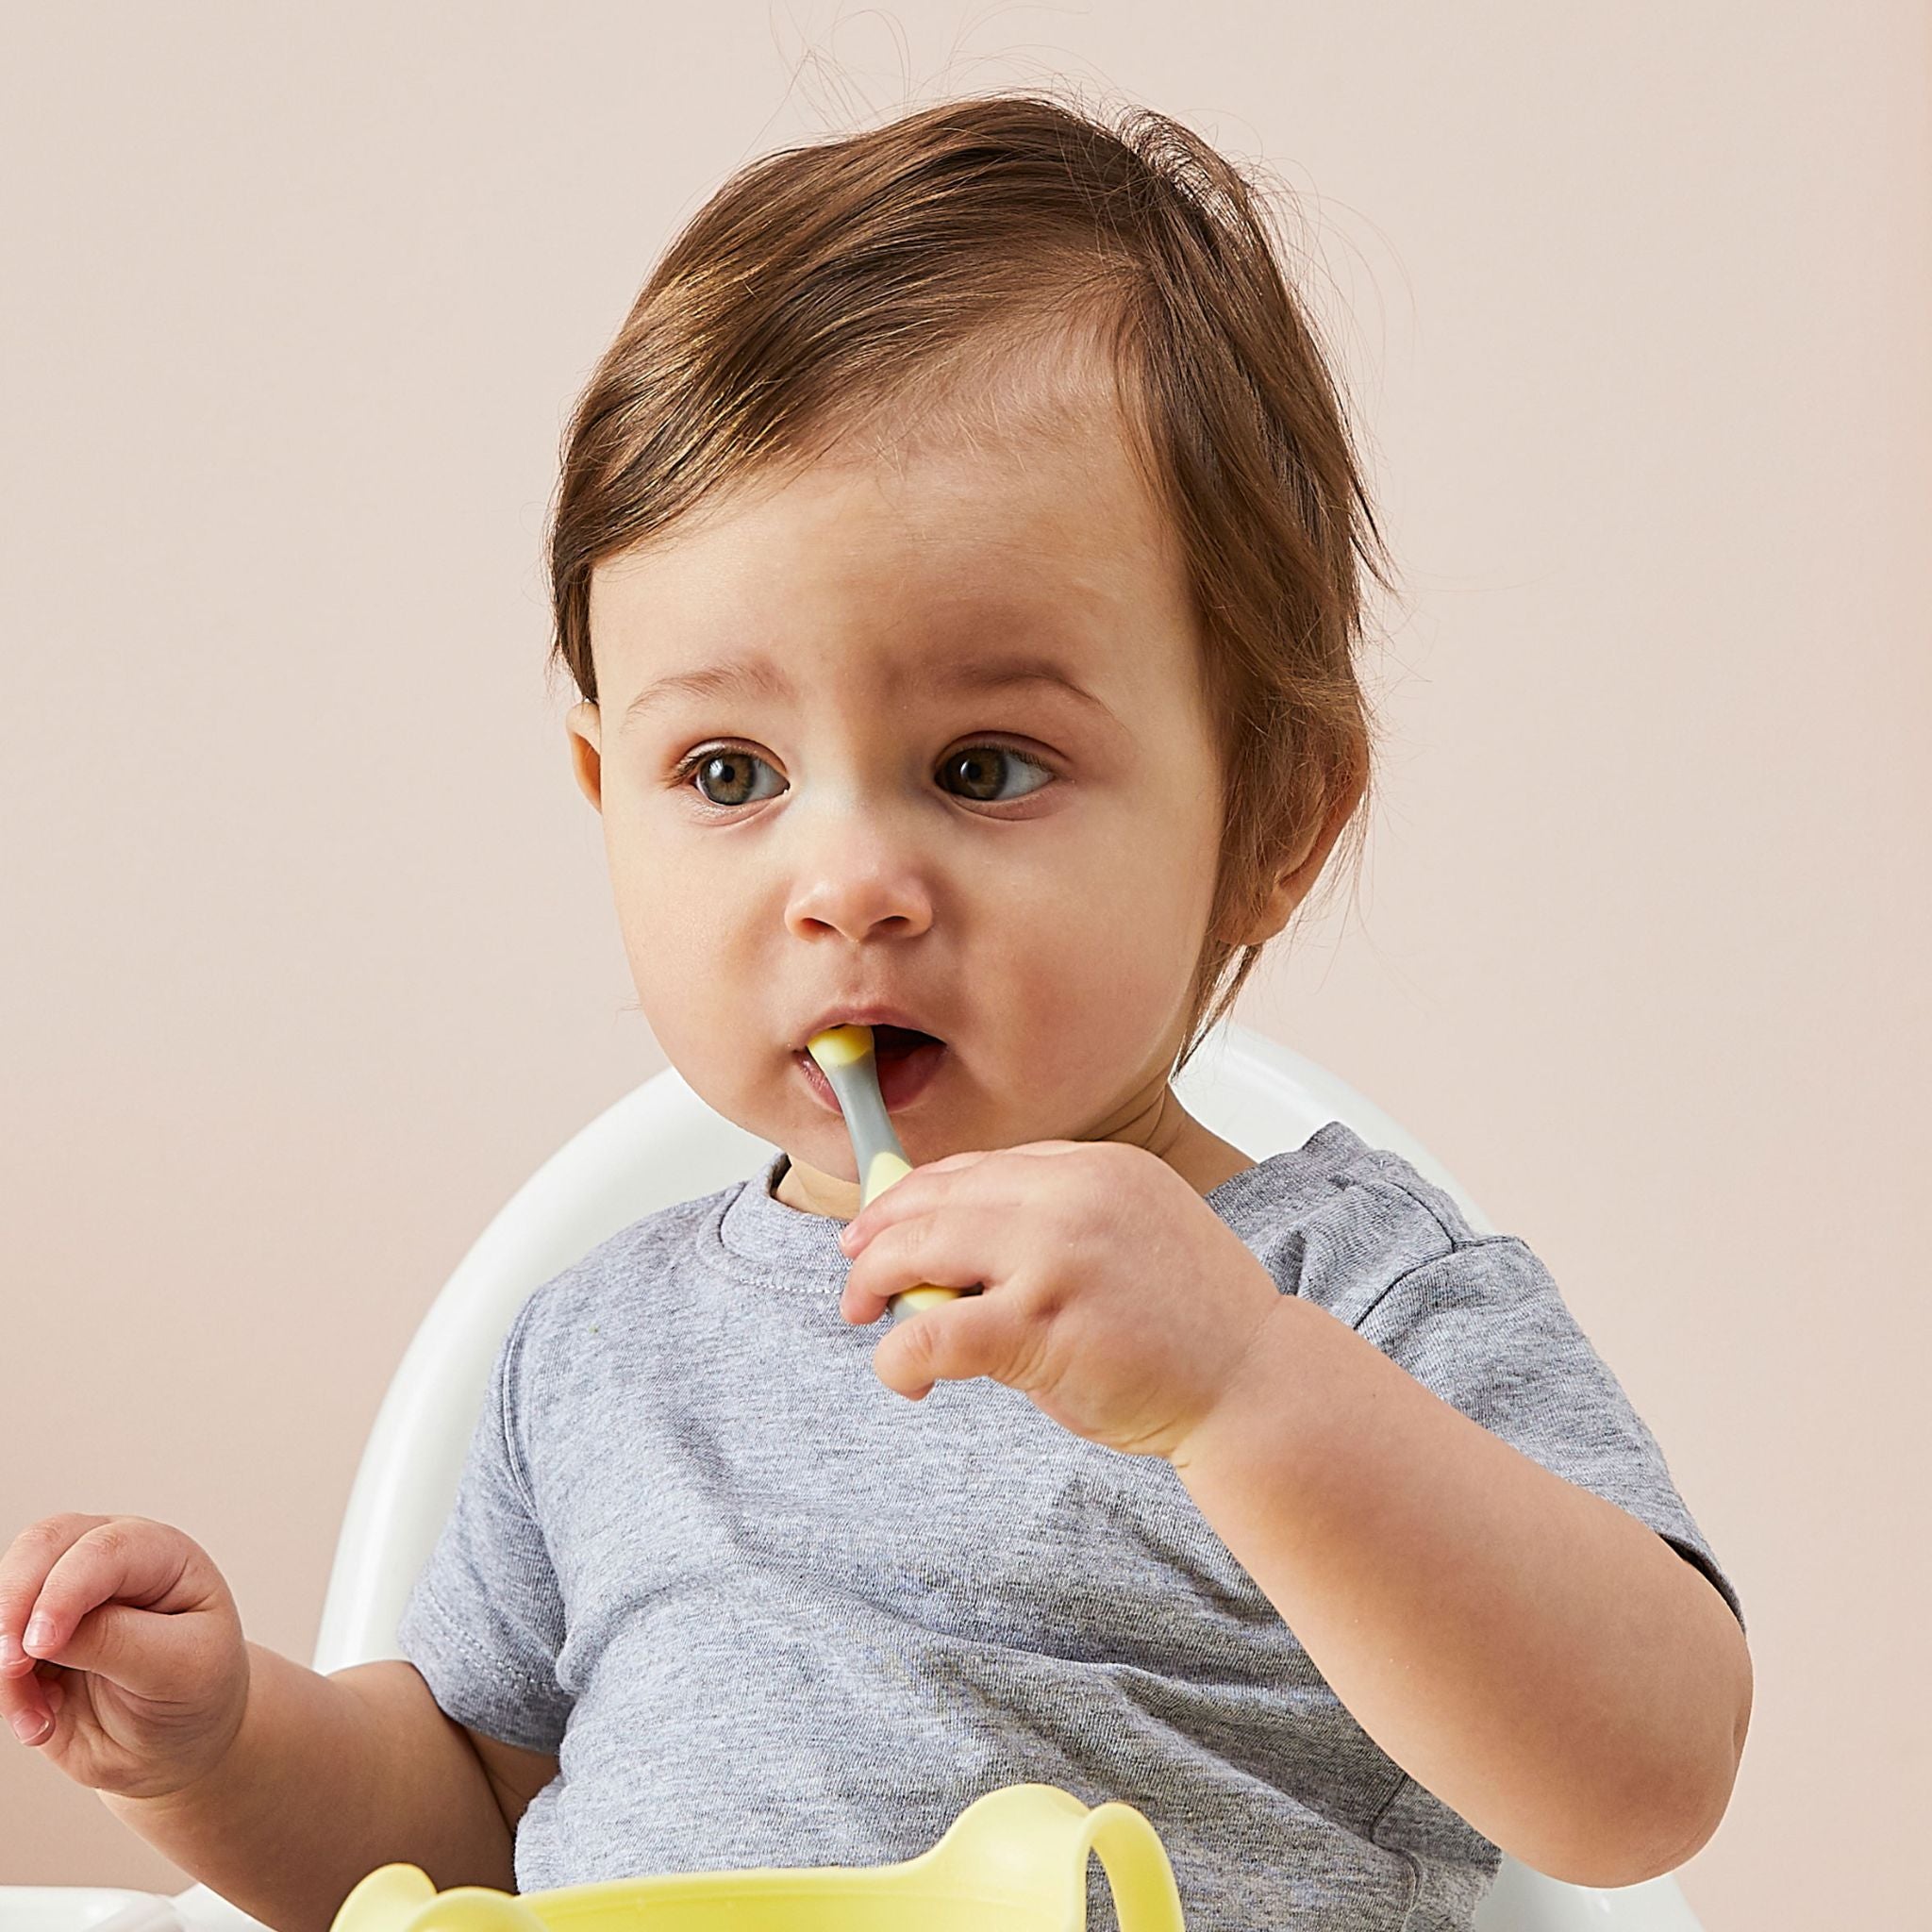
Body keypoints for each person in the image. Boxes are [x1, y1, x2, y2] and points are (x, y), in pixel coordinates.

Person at [0, 90, 1751, 1932]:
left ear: (1269, 825)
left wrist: (1243, 1389)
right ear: (606, 793)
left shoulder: (1352, 1301)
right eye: (733, 770)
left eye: (984, 765)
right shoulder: (593, 1355)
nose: (843, 881)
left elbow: (1649, 1776)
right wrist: (217, 1744)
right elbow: (467, 1828)